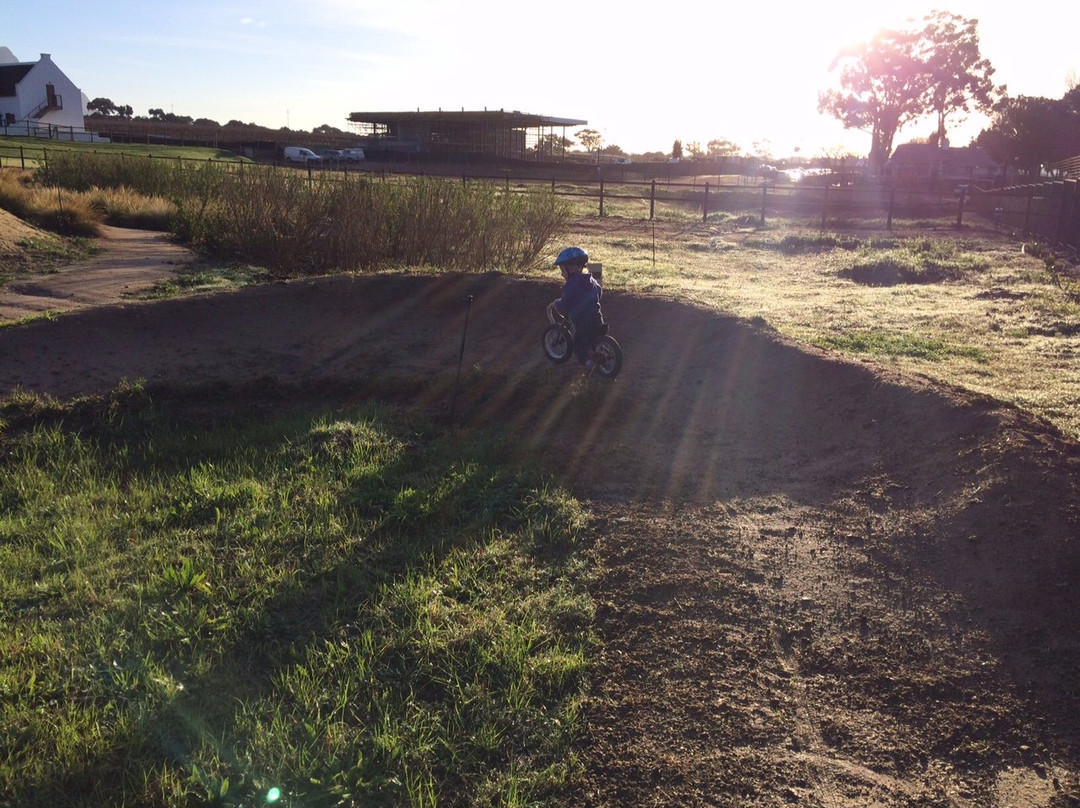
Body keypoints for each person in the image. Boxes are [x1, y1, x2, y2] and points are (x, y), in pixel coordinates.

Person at [550, 246, 606, 374]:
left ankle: (589, 364)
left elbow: (565, 304)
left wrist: (557, 304)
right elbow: (599, 293)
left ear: (571, 268)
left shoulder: (570, 284)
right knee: (592, 341)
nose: (561, 274)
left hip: (583, 323)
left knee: (579, 346)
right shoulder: (592, 280)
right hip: (598, 319)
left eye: (562, 270)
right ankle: (599, 356)